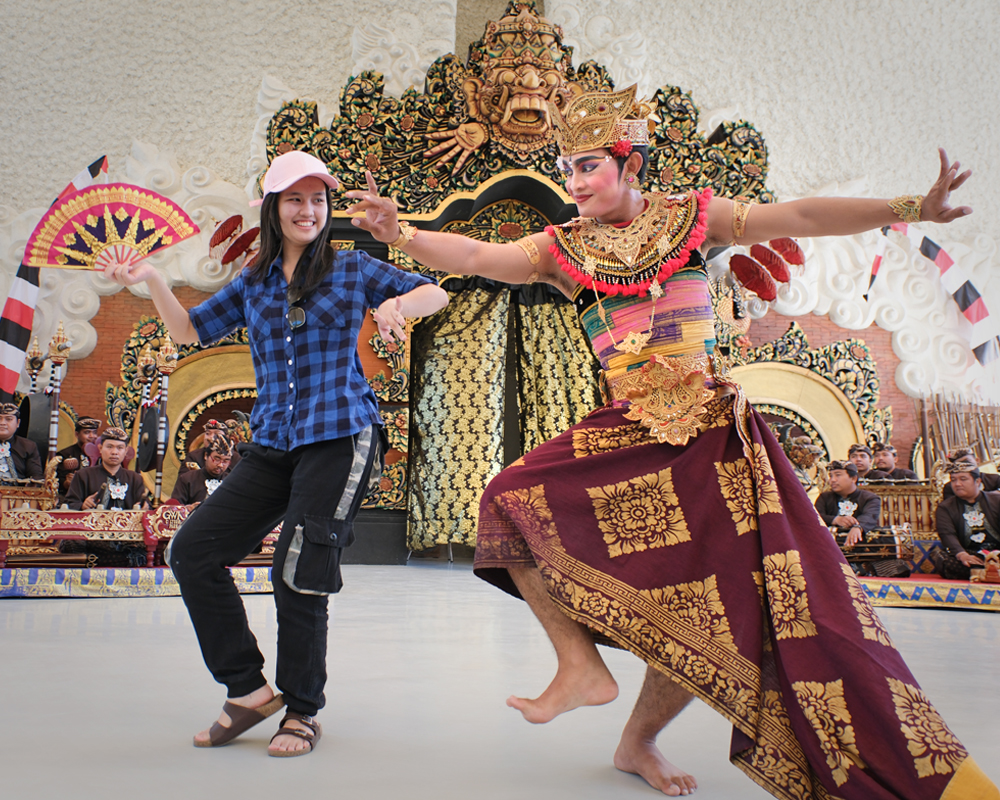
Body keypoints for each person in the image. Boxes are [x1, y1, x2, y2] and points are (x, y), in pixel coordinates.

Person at [347, 85, 995, 798]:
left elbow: (805, 214)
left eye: (587, 165)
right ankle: (578, 665)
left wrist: (914, 208)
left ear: (630, 163)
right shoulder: (564, 249)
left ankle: (638, 742)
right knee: (505, 498)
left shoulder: (695, 218)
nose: (575, 182)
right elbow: (474, 254)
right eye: (567, 169)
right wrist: (400, 233)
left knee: (715, 600)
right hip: (628, 428)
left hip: (714, 437)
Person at [105, 150, 448, 757]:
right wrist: (152, 280)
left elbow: (434, 293)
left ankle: (302, 710)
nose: (308, 210)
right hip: (273, 444)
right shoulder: (254, 284)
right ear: (274, 208)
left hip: (341, 435)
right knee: (192, 551)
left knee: (298, 569)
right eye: (295, 199)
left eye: (317, 199)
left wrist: (397, 304)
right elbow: (187, 331)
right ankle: (247, 691)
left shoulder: (352, 269)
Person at [935, 460, 1000, 580]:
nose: (957, 484)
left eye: (963, 479)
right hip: (970, 555)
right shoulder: (945, 507)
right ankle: (990, 572)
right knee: (945, 561)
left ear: (977, 481)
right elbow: (947, 535)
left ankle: (985, 572)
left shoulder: (997, 500)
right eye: (953, 480)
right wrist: (962, 555)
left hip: (998, 553)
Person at [66, 427, 148, 510]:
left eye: (120, 448)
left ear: (126, 451)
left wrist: (145, 507)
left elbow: (146, 506)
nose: (114, 452)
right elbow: (69, 504)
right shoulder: (83, 475)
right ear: (100, 448)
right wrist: (82, 505)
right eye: (109, 447)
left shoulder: (135, 478)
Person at [814, 461, 882, 547]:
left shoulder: (870, 498)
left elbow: (869, 516)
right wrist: (835, 519)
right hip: (828, 546)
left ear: (853, 478)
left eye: (838, 475)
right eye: (831, 476)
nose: (832, 480)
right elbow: (815, 517)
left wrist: (858, 527)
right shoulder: (825, 497)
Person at [171, 436, 233, 508]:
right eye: (217, 459)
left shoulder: (231, 482)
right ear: (206, 455)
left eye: (226, 461)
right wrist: (188, 509)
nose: (220, 465)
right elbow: (173, 511)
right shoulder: (187, 479)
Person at [55, 416, 101, 498]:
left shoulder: (101, 455)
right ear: (77, 434)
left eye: (94, 432)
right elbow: (57, 481)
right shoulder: (65, 454)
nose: (92, 436)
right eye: (87, 432)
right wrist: (66, 483)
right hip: (72, 498)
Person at [0, 402, 43, 484]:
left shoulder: (28, 446)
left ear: (18, 423)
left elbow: (36, 477)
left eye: (8, 419)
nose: (2, 423)